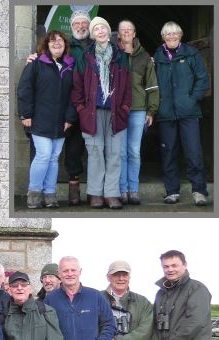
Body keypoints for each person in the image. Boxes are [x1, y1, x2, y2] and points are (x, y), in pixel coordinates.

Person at [71, 16, 131, 209]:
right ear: (93, 34)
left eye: (103, 28)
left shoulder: (120, 56)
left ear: (108, 31)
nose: (101, 32)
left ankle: (112, 194)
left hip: (115, 112)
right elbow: (77, 86)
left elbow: (128, 88)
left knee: (114, 153)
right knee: (95, 152)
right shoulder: (85, 57)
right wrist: (81, 108)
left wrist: (124, 108)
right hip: (92, 113)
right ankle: (95, 193)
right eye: (96, 29)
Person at [154, 22, 211, 206]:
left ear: (181, 35)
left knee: (193, 151)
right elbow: (151, 83)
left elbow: (203, 78)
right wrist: (157, 104)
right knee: (168, 152)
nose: (172, 37)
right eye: (168, 34)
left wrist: (191, 99)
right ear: (163, 36)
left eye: (175, 33)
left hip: (189, 112)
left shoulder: (191, 53)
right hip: (166, 112)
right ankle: (171, 191)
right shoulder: (157, 56)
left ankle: (199, 191)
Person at [17, 30, 75, 209]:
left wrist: (70, 117)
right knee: (43, 155)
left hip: (61, 121)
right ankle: (34, 193)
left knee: (54, 158)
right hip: (40, 119)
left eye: (60, 41)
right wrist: (25, 114)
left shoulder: (70, 66)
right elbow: (24, 89)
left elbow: (75, 94)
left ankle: (50, 194)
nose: (57, 43)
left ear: (65, 45)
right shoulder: (36, 63)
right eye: (52, 41)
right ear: (46, 45)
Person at [115, 20, 158, 205]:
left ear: (134, 33)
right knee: (121, 152)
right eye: (122, 29)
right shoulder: (113, 53)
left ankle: (133, 190)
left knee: (133, 151)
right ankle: (122, 190)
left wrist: (151, 110)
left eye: (129, 29)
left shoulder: (145, 57)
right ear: (118, 34)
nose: (126, 32)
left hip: (138, 110)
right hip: (118, 110)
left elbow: (153, 86)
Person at [65, 10, 93, 205]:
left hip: (95, 105)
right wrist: (34, 56)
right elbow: (49, 58)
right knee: (74, 148)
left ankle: (95, 189)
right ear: (72, 27)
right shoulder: (66, 46)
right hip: (73, 103)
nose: (81, 27)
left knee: (96, 149)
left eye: (84, 24)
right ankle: (74, 188)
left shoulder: (98, 44)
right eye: (77, 24)